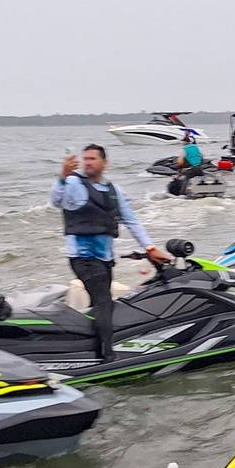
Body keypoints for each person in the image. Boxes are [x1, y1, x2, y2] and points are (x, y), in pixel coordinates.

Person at [49, 144, 170, 359]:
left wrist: (150, 248)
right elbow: (57, 201)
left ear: (105, 163)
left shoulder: (114, 191)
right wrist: (62, 176)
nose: (88, 162)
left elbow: (132, 222)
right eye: (85, 158)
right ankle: (107, 355)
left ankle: (88, 347)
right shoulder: (74, 183)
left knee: (99, 303)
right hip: (82, 257)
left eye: (93, 159)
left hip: (105, 258)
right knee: (105, 301)